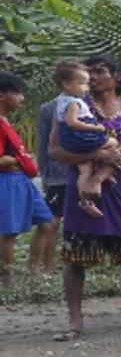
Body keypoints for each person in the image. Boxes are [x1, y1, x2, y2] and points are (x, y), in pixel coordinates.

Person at [47, 55, 121, 339]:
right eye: (88, 72)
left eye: (100, 71)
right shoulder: (71, 104)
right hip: (80, 185)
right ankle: (74, 321)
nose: (92, 77)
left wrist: (97, 178)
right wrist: (95, 156)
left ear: (117, 77)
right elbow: (54, 151)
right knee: (75, 256)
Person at [0, 71, 55, 290]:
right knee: (8, 232)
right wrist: (15, 161)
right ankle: (6, 281)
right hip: (7, 181)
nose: (22, 98)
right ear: (2, 96)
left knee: (47, 222)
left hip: (21, 181)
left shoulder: (5, 121)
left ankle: (33, 272)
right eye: (18, 93)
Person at [52, 60, 114, 217]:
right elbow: (73, 123)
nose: (87, 88)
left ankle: (85, 202)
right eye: (82, 84)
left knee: (84, 171)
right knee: (113, 142)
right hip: (80, 137)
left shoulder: (60, 100)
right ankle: (106, 171)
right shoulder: (74, 102)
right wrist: (96, 128)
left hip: (70, 141)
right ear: (66, 84)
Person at [29, 71, 71, 278]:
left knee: (75, 224)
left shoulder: (89, 106)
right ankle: (44, 269)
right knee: (51, 222)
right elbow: (43, 143)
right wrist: (45, 175)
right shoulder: (48, 109)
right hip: (57, 174)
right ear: (65, 83)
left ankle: (71, 266)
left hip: (81, 174)